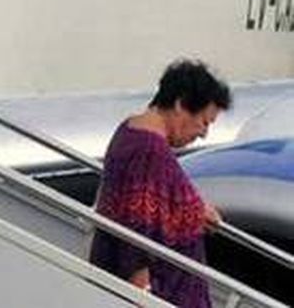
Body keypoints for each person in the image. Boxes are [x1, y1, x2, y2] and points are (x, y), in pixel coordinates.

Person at [88, 60, 230, 307]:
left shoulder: (130, 130)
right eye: (204, 122)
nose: (204, 133)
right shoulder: (150, 151)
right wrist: (141, 296)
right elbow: (138, 234)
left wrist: (195, 210)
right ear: (180, 104)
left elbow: (148, 203)